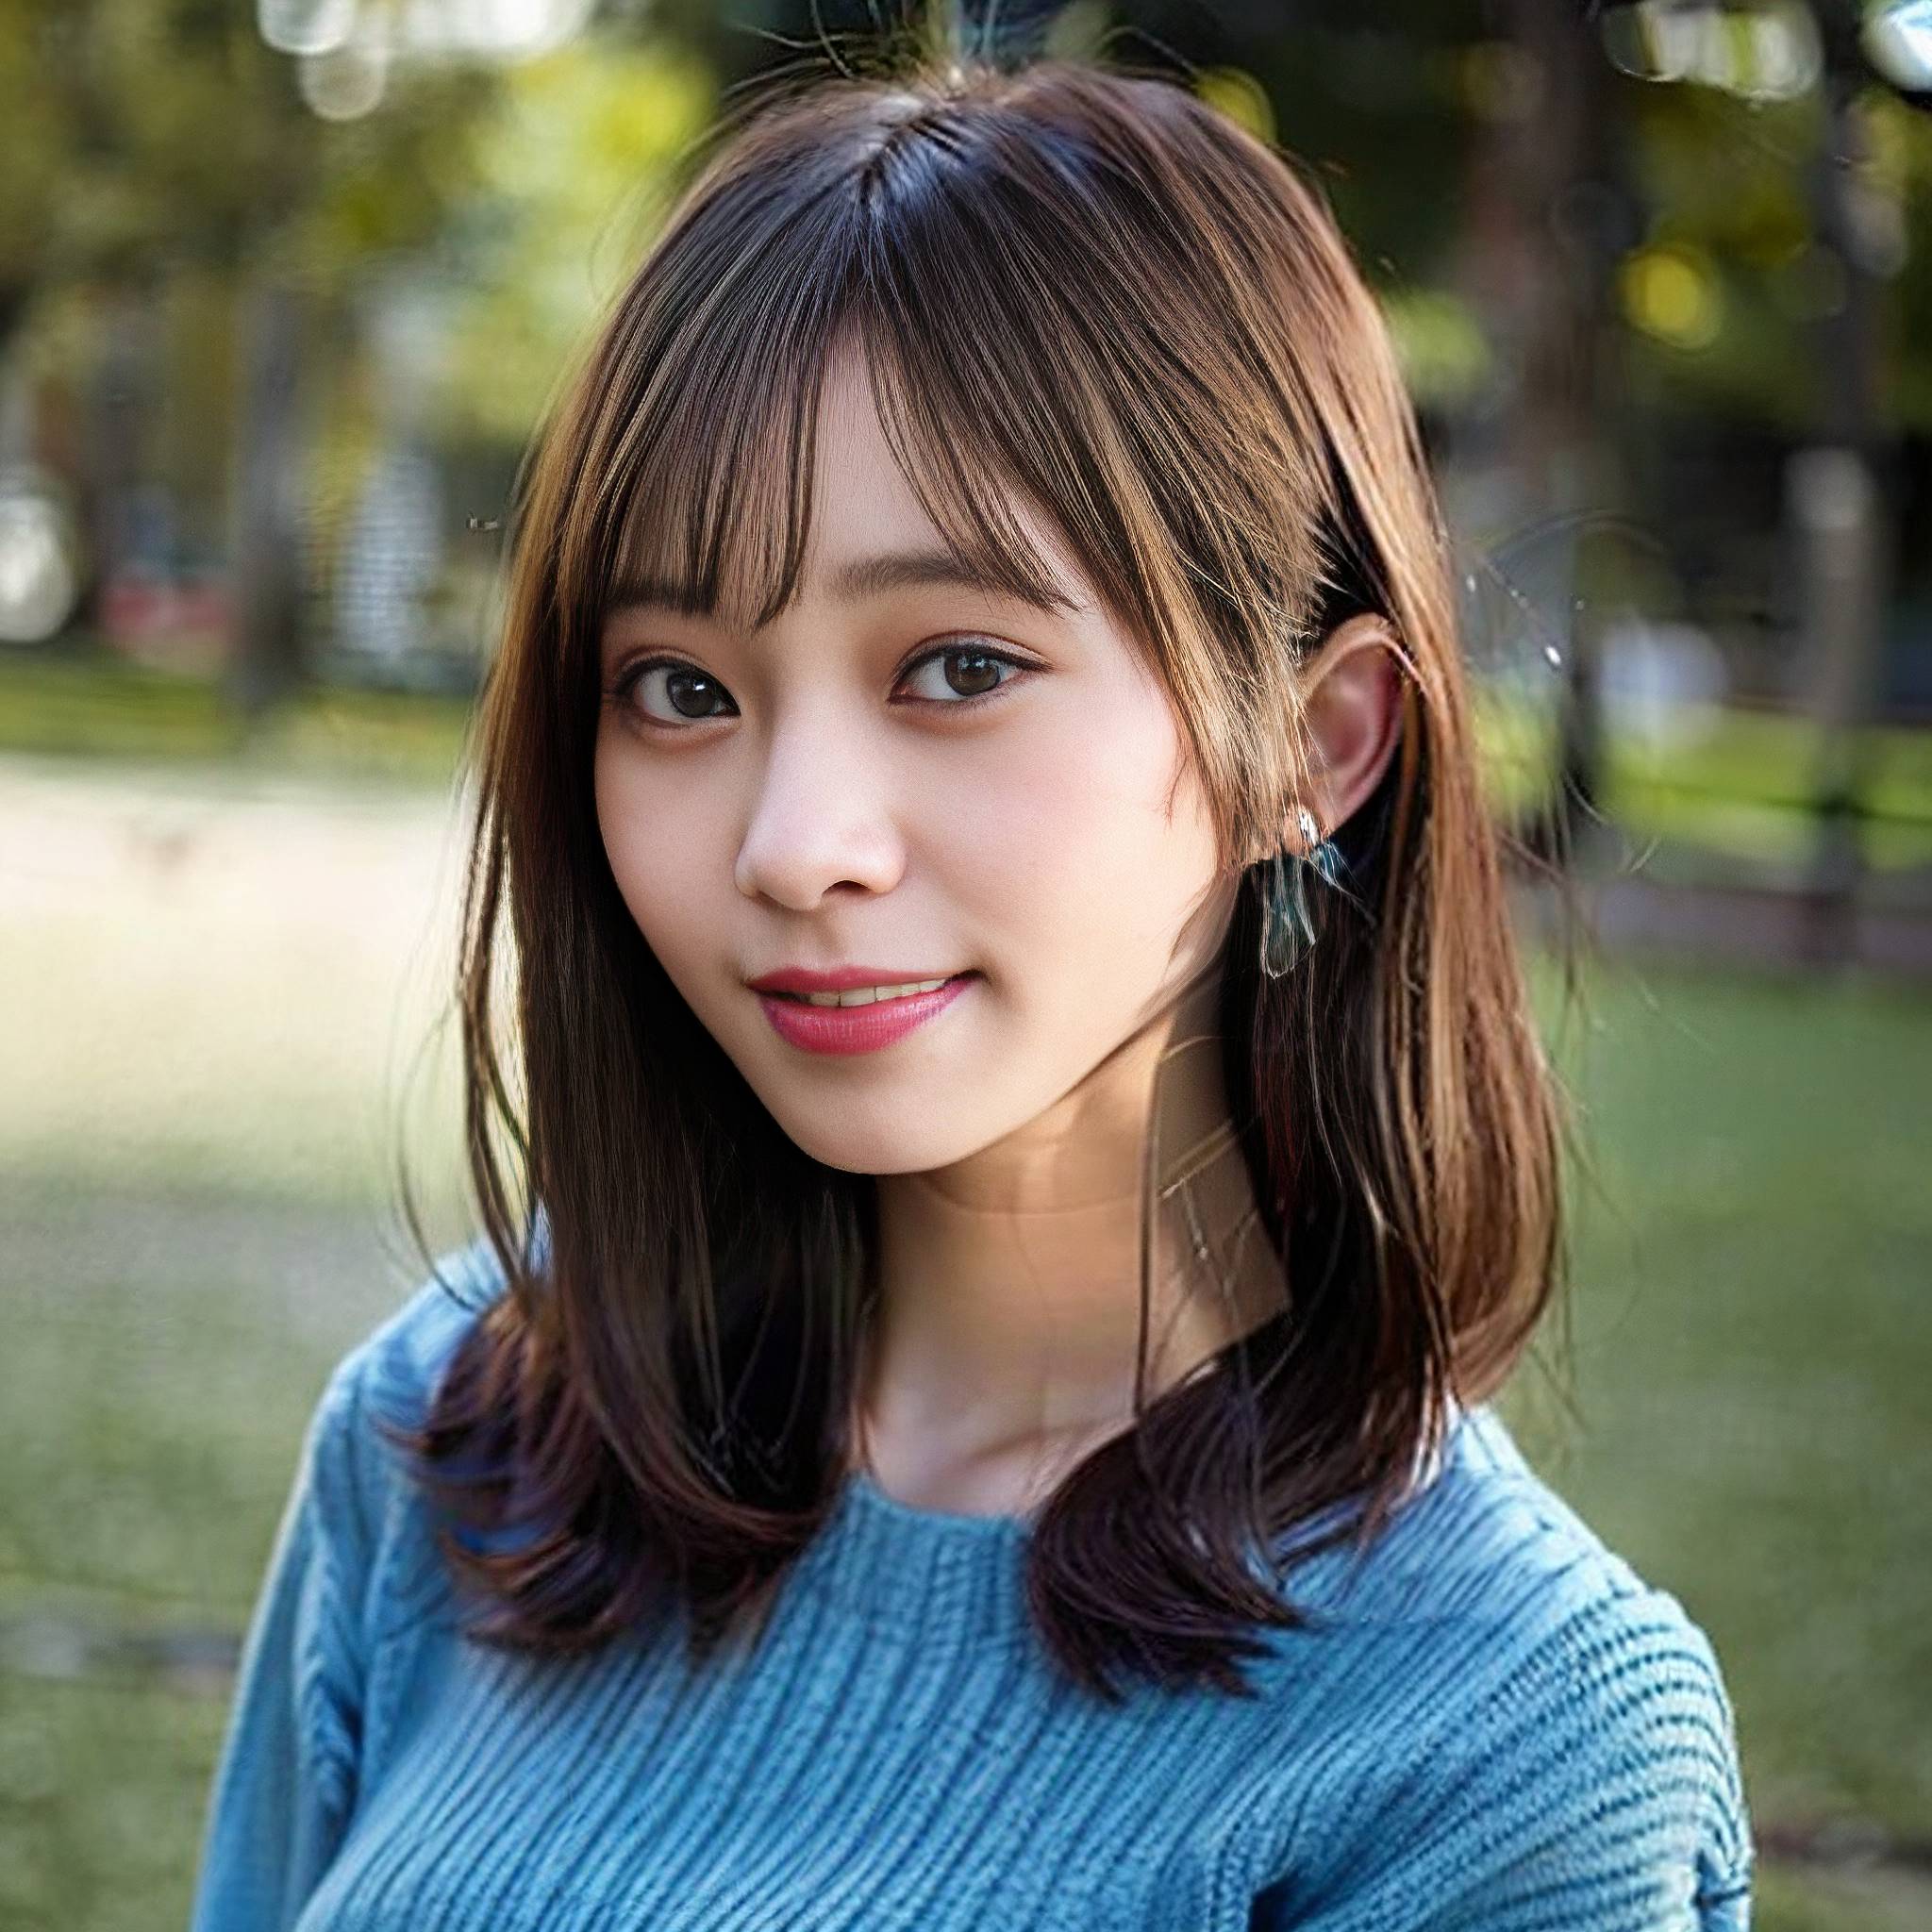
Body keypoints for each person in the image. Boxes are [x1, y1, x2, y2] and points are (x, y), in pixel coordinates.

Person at [188, 45, 1756, 1932]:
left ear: (1314, 747)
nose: (793, 842)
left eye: (953, 665)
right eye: (681, 688)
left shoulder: (1502, 1748)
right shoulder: (459, 1427)